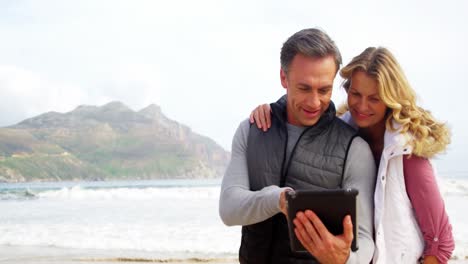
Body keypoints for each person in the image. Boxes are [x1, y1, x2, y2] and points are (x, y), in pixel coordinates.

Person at [250, 47, 455, 263]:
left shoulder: (408, 154)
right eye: (355, 94)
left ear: (390, 99)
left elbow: (440, 241)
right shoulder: (339, 135)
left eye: (374, 98)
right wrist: (271, 113)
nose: (362, 106)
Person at [219, 28, 376, 264]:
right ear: (284, 77)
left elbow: (364, 238)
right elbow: (229, 209)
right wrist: (278, 200)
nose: (314, 102)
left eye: (324, 90)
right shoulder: (252, 129)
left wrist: (344, 260)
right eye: (304, 88)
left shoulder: (354, 148)